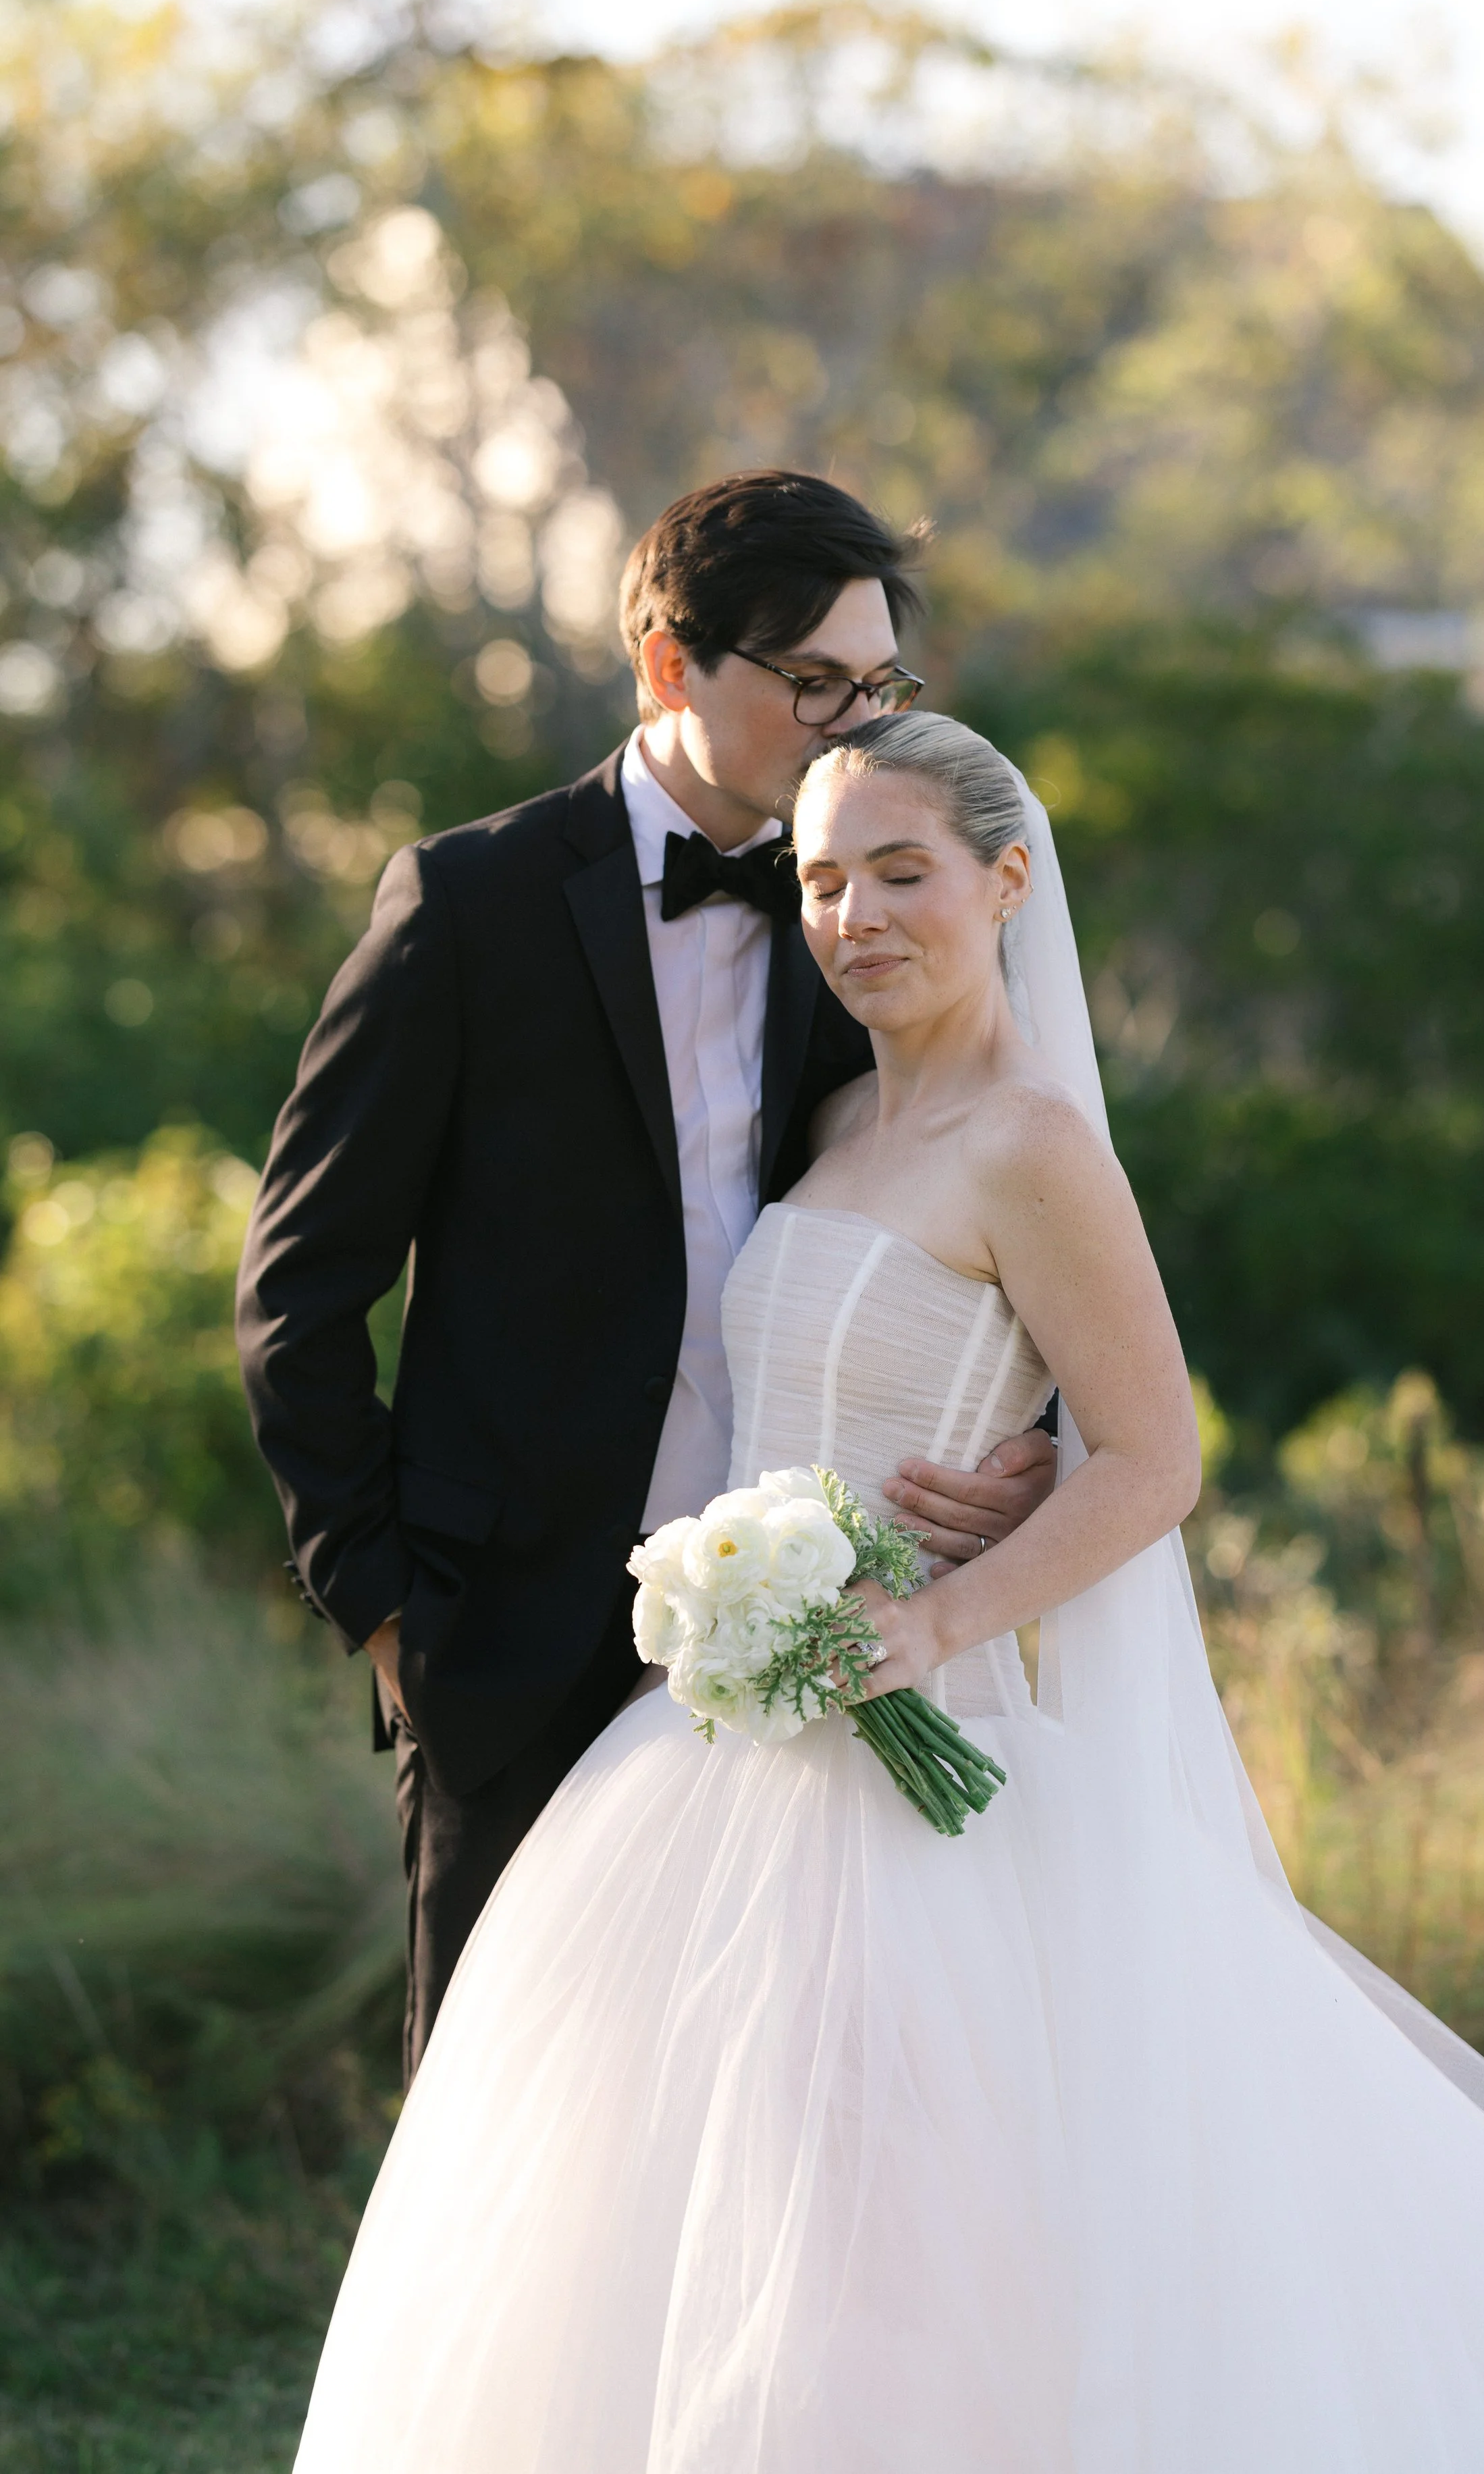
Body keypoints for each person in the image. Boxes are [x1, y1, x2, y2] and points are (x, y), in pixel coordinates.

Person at [292, 712, 1484, 2471]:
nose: (851, 914)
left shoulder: (1036, 1143)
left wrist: (932, 1618)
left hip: (911, 1742)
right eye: (818, 878)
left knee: (882, 2228)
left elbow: (1150, 1457)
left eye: (899, 871)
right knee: (675, 2192)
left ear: (1003, 880)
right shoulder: (841, 1110)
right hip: (711, 1747)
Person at [236, 475, 1057, 2082]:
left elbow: (1005, 1206)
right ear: (667, 667)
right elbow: (301, 1283)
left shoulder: (868, 919)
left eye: (874, 686)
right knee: (507, 2126)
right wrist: (385, 1606)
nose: (846, 726)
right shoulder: (465, 906)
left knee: (771, 2128)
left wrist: (1035, 1457)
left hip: (809, 1636)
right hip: (511, 1630)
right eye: (808, 682)